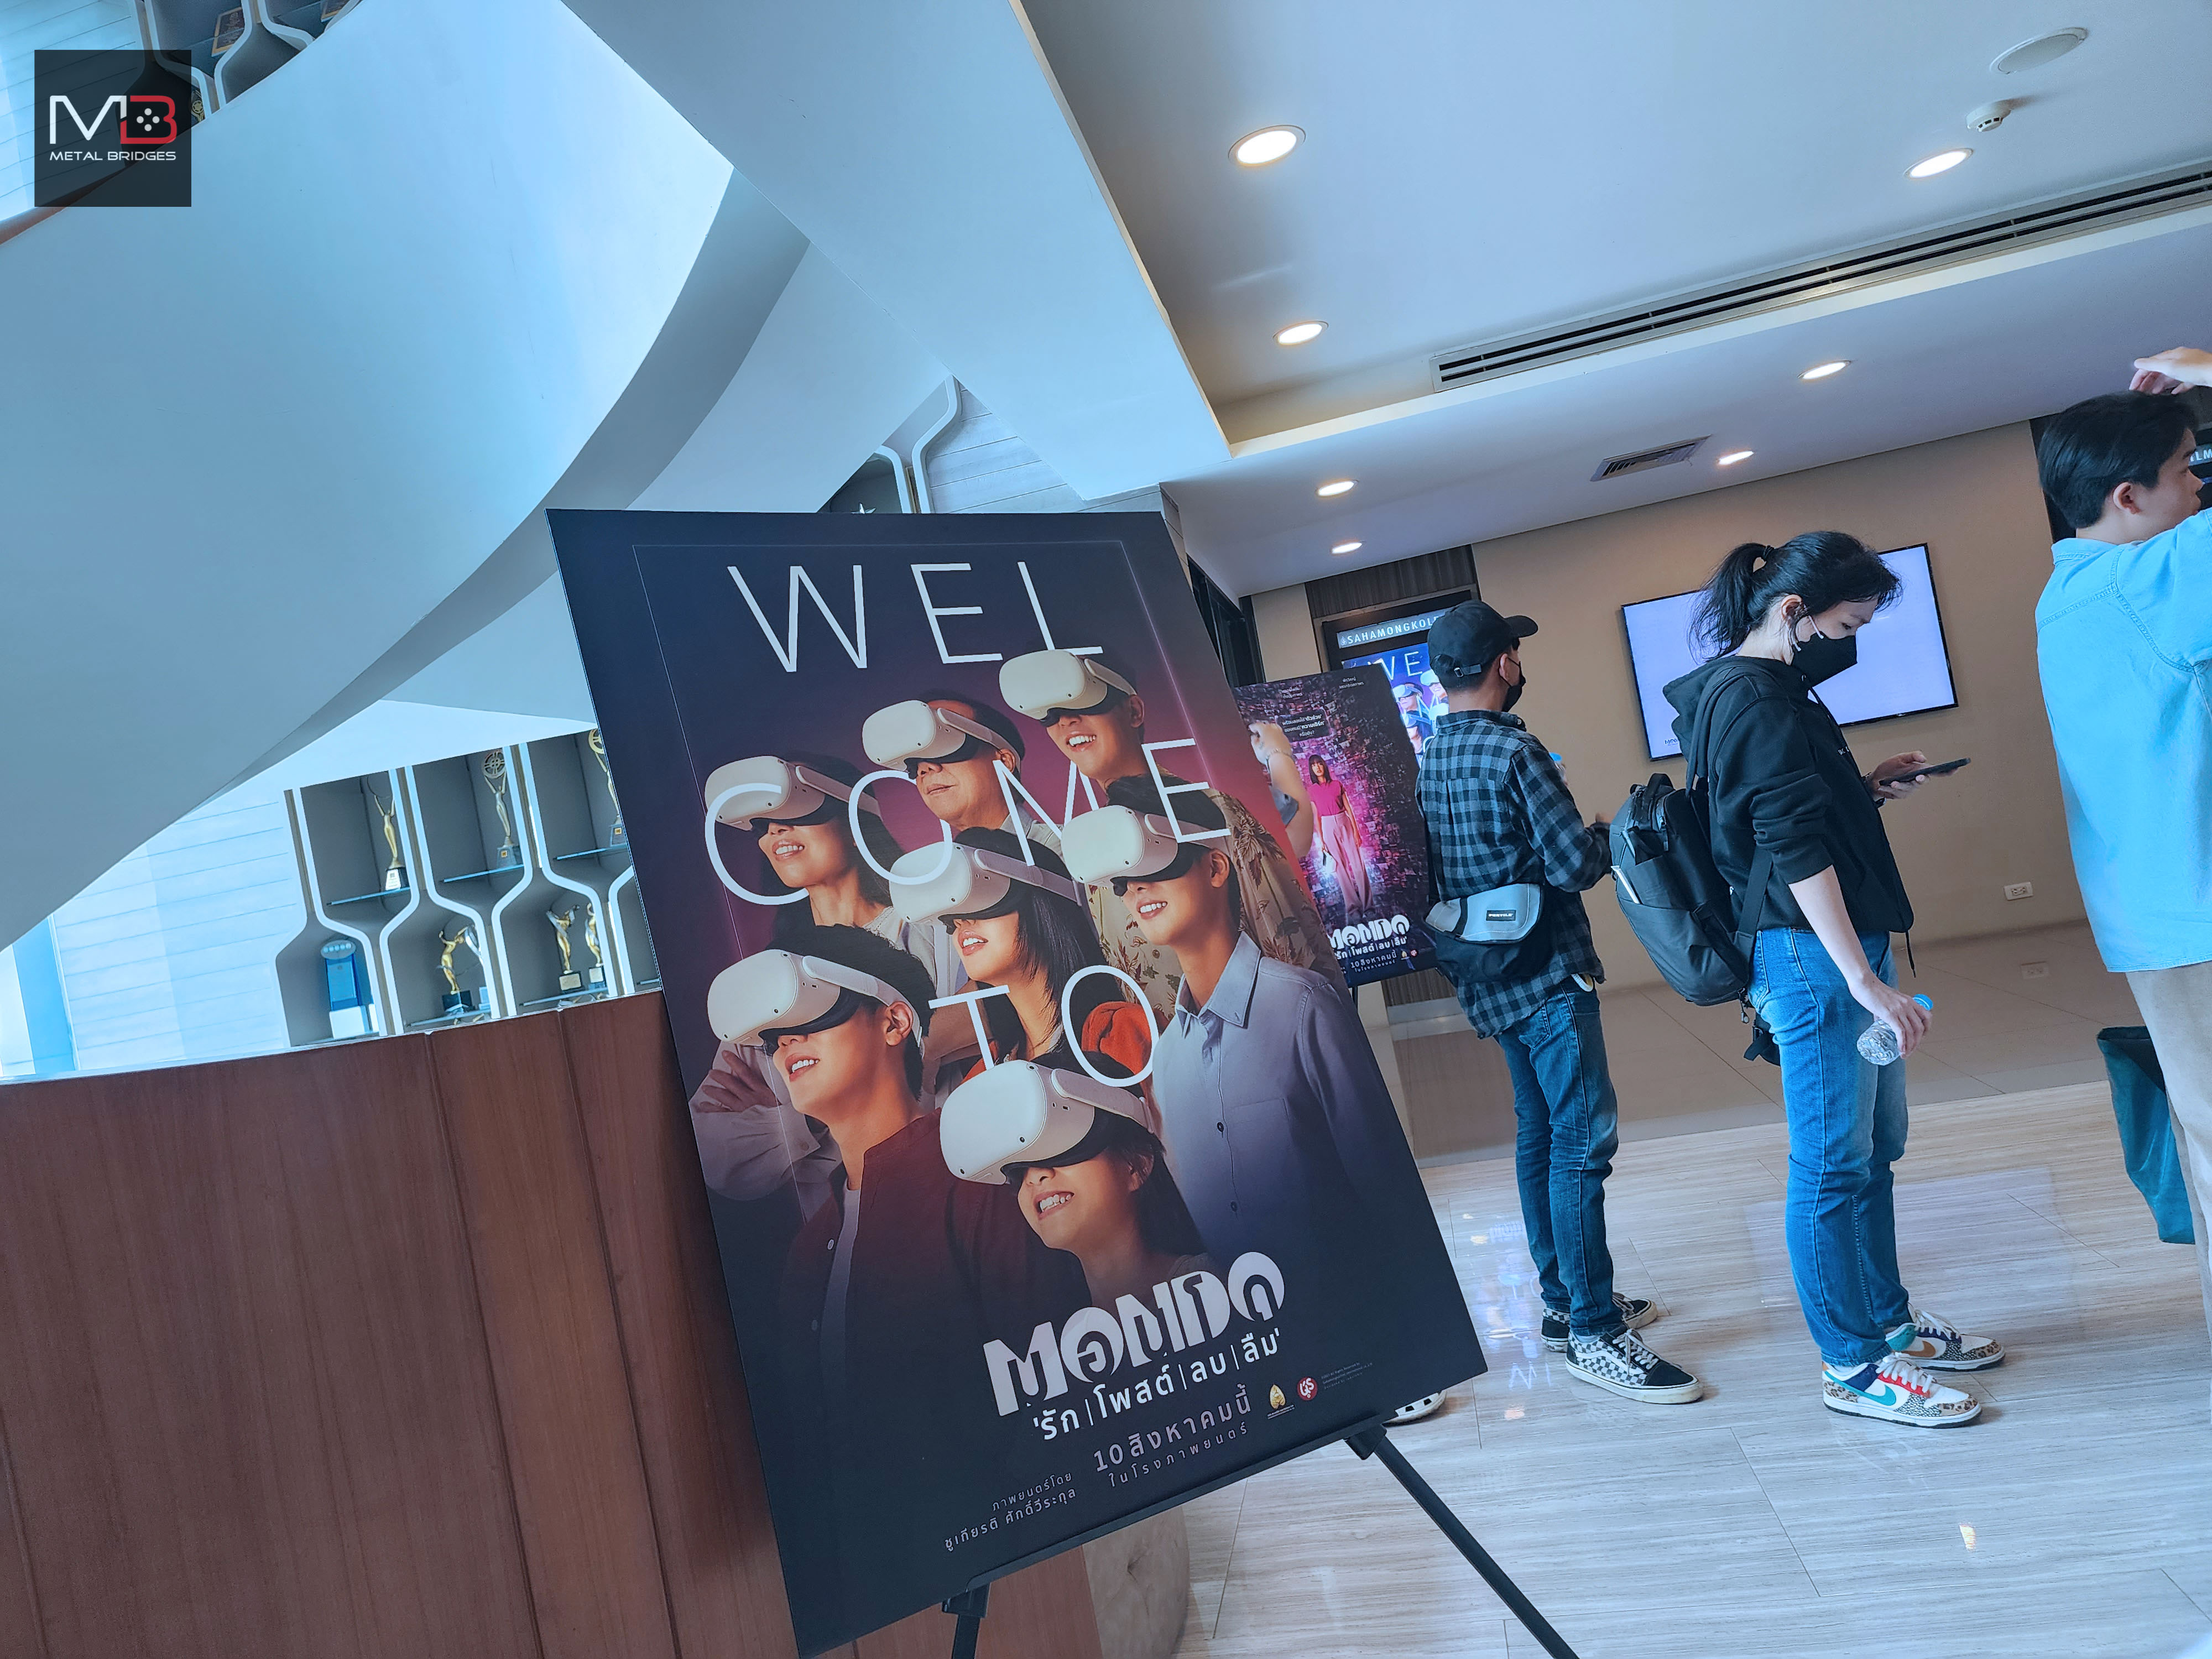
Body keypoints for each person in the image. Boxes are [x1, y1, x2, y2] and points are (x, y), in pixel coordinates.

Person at [1667, 533, 2001, 1428]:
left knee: (1873, 1148)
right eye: (1846, 626)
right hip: (1813, 961)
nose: (1851, 642)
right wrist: (1863, 978)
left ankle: (1889, 1325)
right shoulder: (1752, 698)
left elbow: (1788, 813)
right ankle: (1852, 1366)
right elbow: (1786, 843)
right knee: (1829, 1163)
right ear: (1793, 612)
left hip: (1836, 948)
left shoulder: (1772, 688)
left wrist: (1870, 789)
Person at [705, 922, 1087, 1646]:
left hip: (986, 1554)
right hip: (864, 1584)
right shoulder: (808, 1253)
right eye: (773, 1037)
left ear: (894, 1021)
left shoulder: (984, 1188)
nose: (787, 1044)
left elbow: (1058, 1393)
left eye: (810, 1015)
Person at [1416, 601, 1700, 1405]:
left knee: (1539, 1136)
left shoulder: (1432, 757)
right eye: (1514, 651)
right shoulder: (1517, 751)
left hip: (1488, 977)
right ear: (1503, 663)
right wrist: (1604, 832)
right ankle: (1595, 1334)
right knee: (1581, 1146)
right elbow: (1573, 864)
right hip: (1548, 973)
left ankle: (1563, 1302)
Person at [2036, 348, 2212, 1404]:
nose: (2201, 489)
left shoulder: (2070, 591)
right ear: (2129, 497)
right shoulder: (2155, 577)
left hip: (2161, 914)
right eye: (2192, 469)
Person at [998, 648, 1346, 1015]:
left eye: (1084, 701)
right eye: (1052, 715)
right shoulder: (1089, 848)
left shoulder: (1213, 813)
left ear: (1134, 711)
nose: (1067, 721)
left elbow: (1292, 947)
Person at [690, 750, 961, 1205]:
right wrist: (810, 1117)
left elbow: (1002, 1016)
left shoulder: (939, 927)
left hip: (954, 1183)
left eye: (794, 812)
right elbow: (714, 1153)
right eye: (762, 824)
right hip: (844, 1218)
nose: (775, 831)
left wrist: (808, 1096)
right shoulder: (772, 980)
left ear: (855, 822)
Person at [894, 828, 1157, 1091]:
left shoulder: (1121, 1032)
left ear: (1042, 906)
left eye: (981, 897)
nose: (961, 921)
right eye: (951, 914)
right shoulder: (985, 1073)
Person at [860, 691, 1060, 850]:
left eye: (948, 744)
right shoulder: (936, 879)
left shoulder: (1068, 851)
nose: (924, 768)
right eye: (914, 760)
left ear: (1004, 762)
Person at [1305, 754, 1371, 912]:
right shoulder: (1312, 791)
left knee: (1358, 864)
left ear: (1324, 765)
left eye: (1319, 764)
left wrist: (1356, 831)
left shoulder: (1337, 785)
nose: (1317, 767)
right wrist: (1321, 841)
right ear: (1311, 769)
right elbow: (1316, 816)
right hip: (1327, 826)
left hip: (1344, 821)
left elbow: (1349, 809)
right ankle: (1353, 907)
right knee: (1340, 868)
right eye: (1314, 765)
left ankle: (1368, 906)